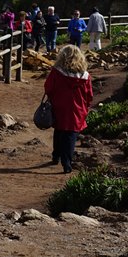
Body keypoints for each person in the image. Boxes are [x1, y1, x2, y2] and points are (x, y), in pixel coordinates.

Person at [44, 44, 93, 174]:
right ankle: (67, 163)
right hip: (78, 108)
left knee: (59, 130)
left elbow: (48, 87)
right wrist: (86, 105)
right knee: (70, 135)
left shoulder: (57, 72)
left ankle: (56, 156)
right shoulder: (85, 76)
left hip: (60, 106)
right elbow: (89, 95)